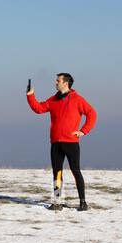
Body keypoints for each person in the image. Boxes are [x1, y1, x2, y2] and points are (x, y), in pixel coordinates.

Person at [26, 73, 97, 211]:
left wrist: (83, 131)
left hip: (71, 142)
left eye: (58, 81)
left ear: (66, 83)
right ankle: (57, 202)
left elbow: (92, 114)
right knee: (57, 172)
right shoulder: (54, 99)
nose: (55, 83)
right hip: (56, 143)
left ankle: (83, 202)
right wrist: (30, 96)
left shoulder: (77, 99)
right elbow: (39, 108)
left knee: (76, 171)